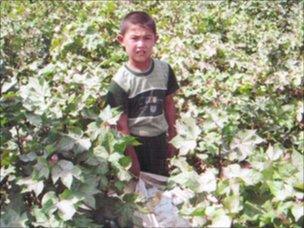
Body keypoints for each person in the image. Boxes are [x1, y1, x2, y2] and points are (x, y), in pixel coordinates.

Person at [106, 11, 179, 177]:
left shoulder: (164, 70)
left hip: (159, 138)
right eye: (134, 38)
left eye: (147, 38)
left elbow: (168, 104)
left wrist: (172, 137)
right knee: (138, 186)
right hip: (135, 143)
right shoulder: (119, 82)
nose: (141, 44)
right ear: (121, 40)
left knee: (160, 182)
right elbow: (122, 126)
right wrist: (133, 161)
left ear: (155, 40)